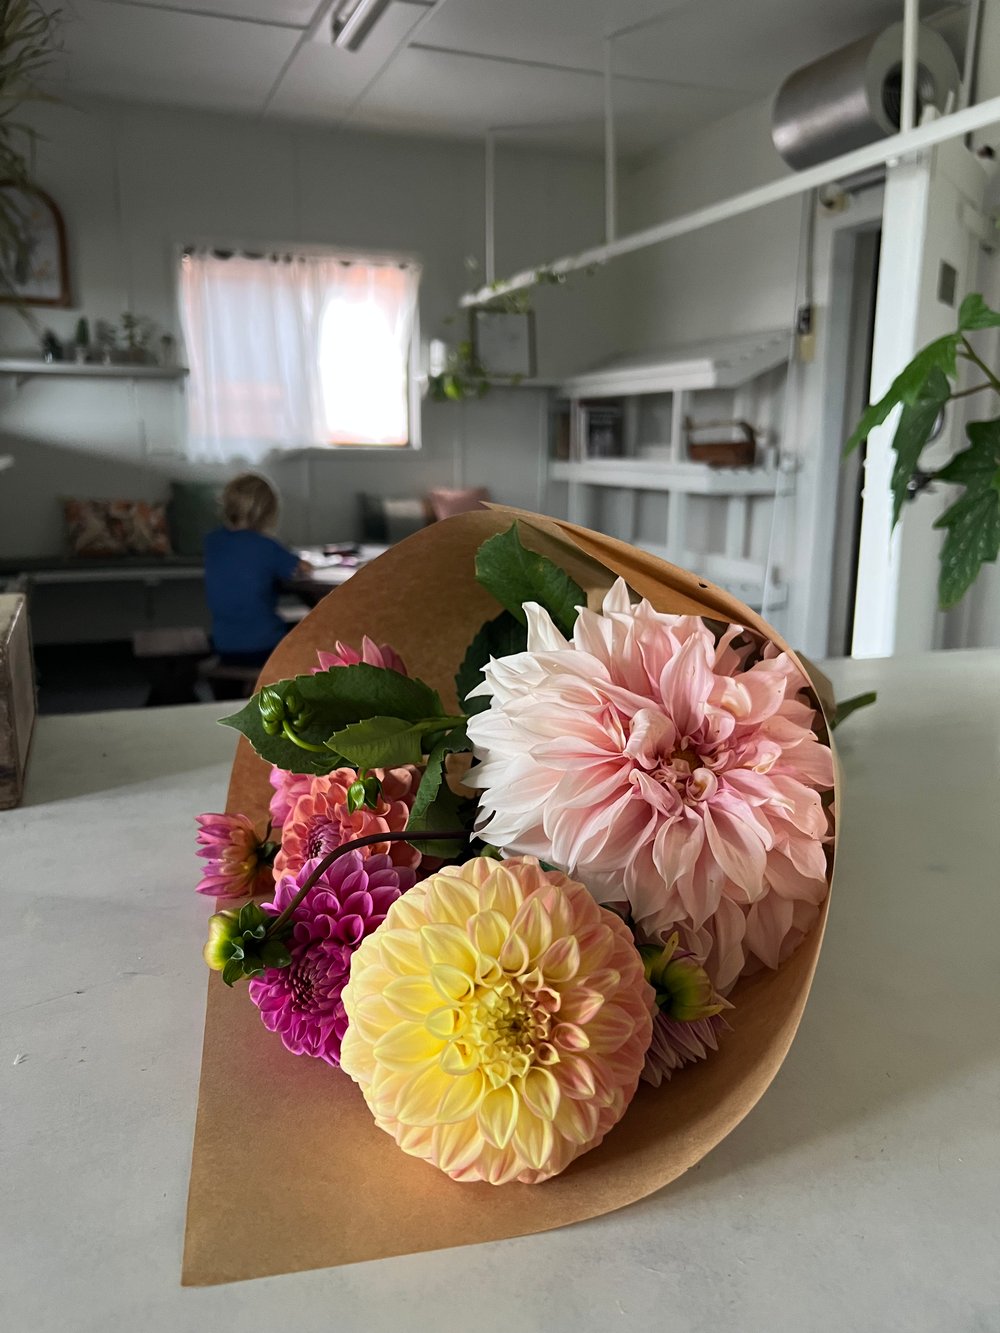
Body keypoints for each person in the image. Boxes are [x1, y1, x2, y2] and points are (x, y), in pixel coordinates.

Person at [203, 473, 311, 691]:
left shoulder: (212, 542)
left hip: (224, 644)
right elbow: (303, 569)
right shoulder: (267, 547)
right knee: (309, 635)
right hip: (264, 646)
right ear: (268, 513)